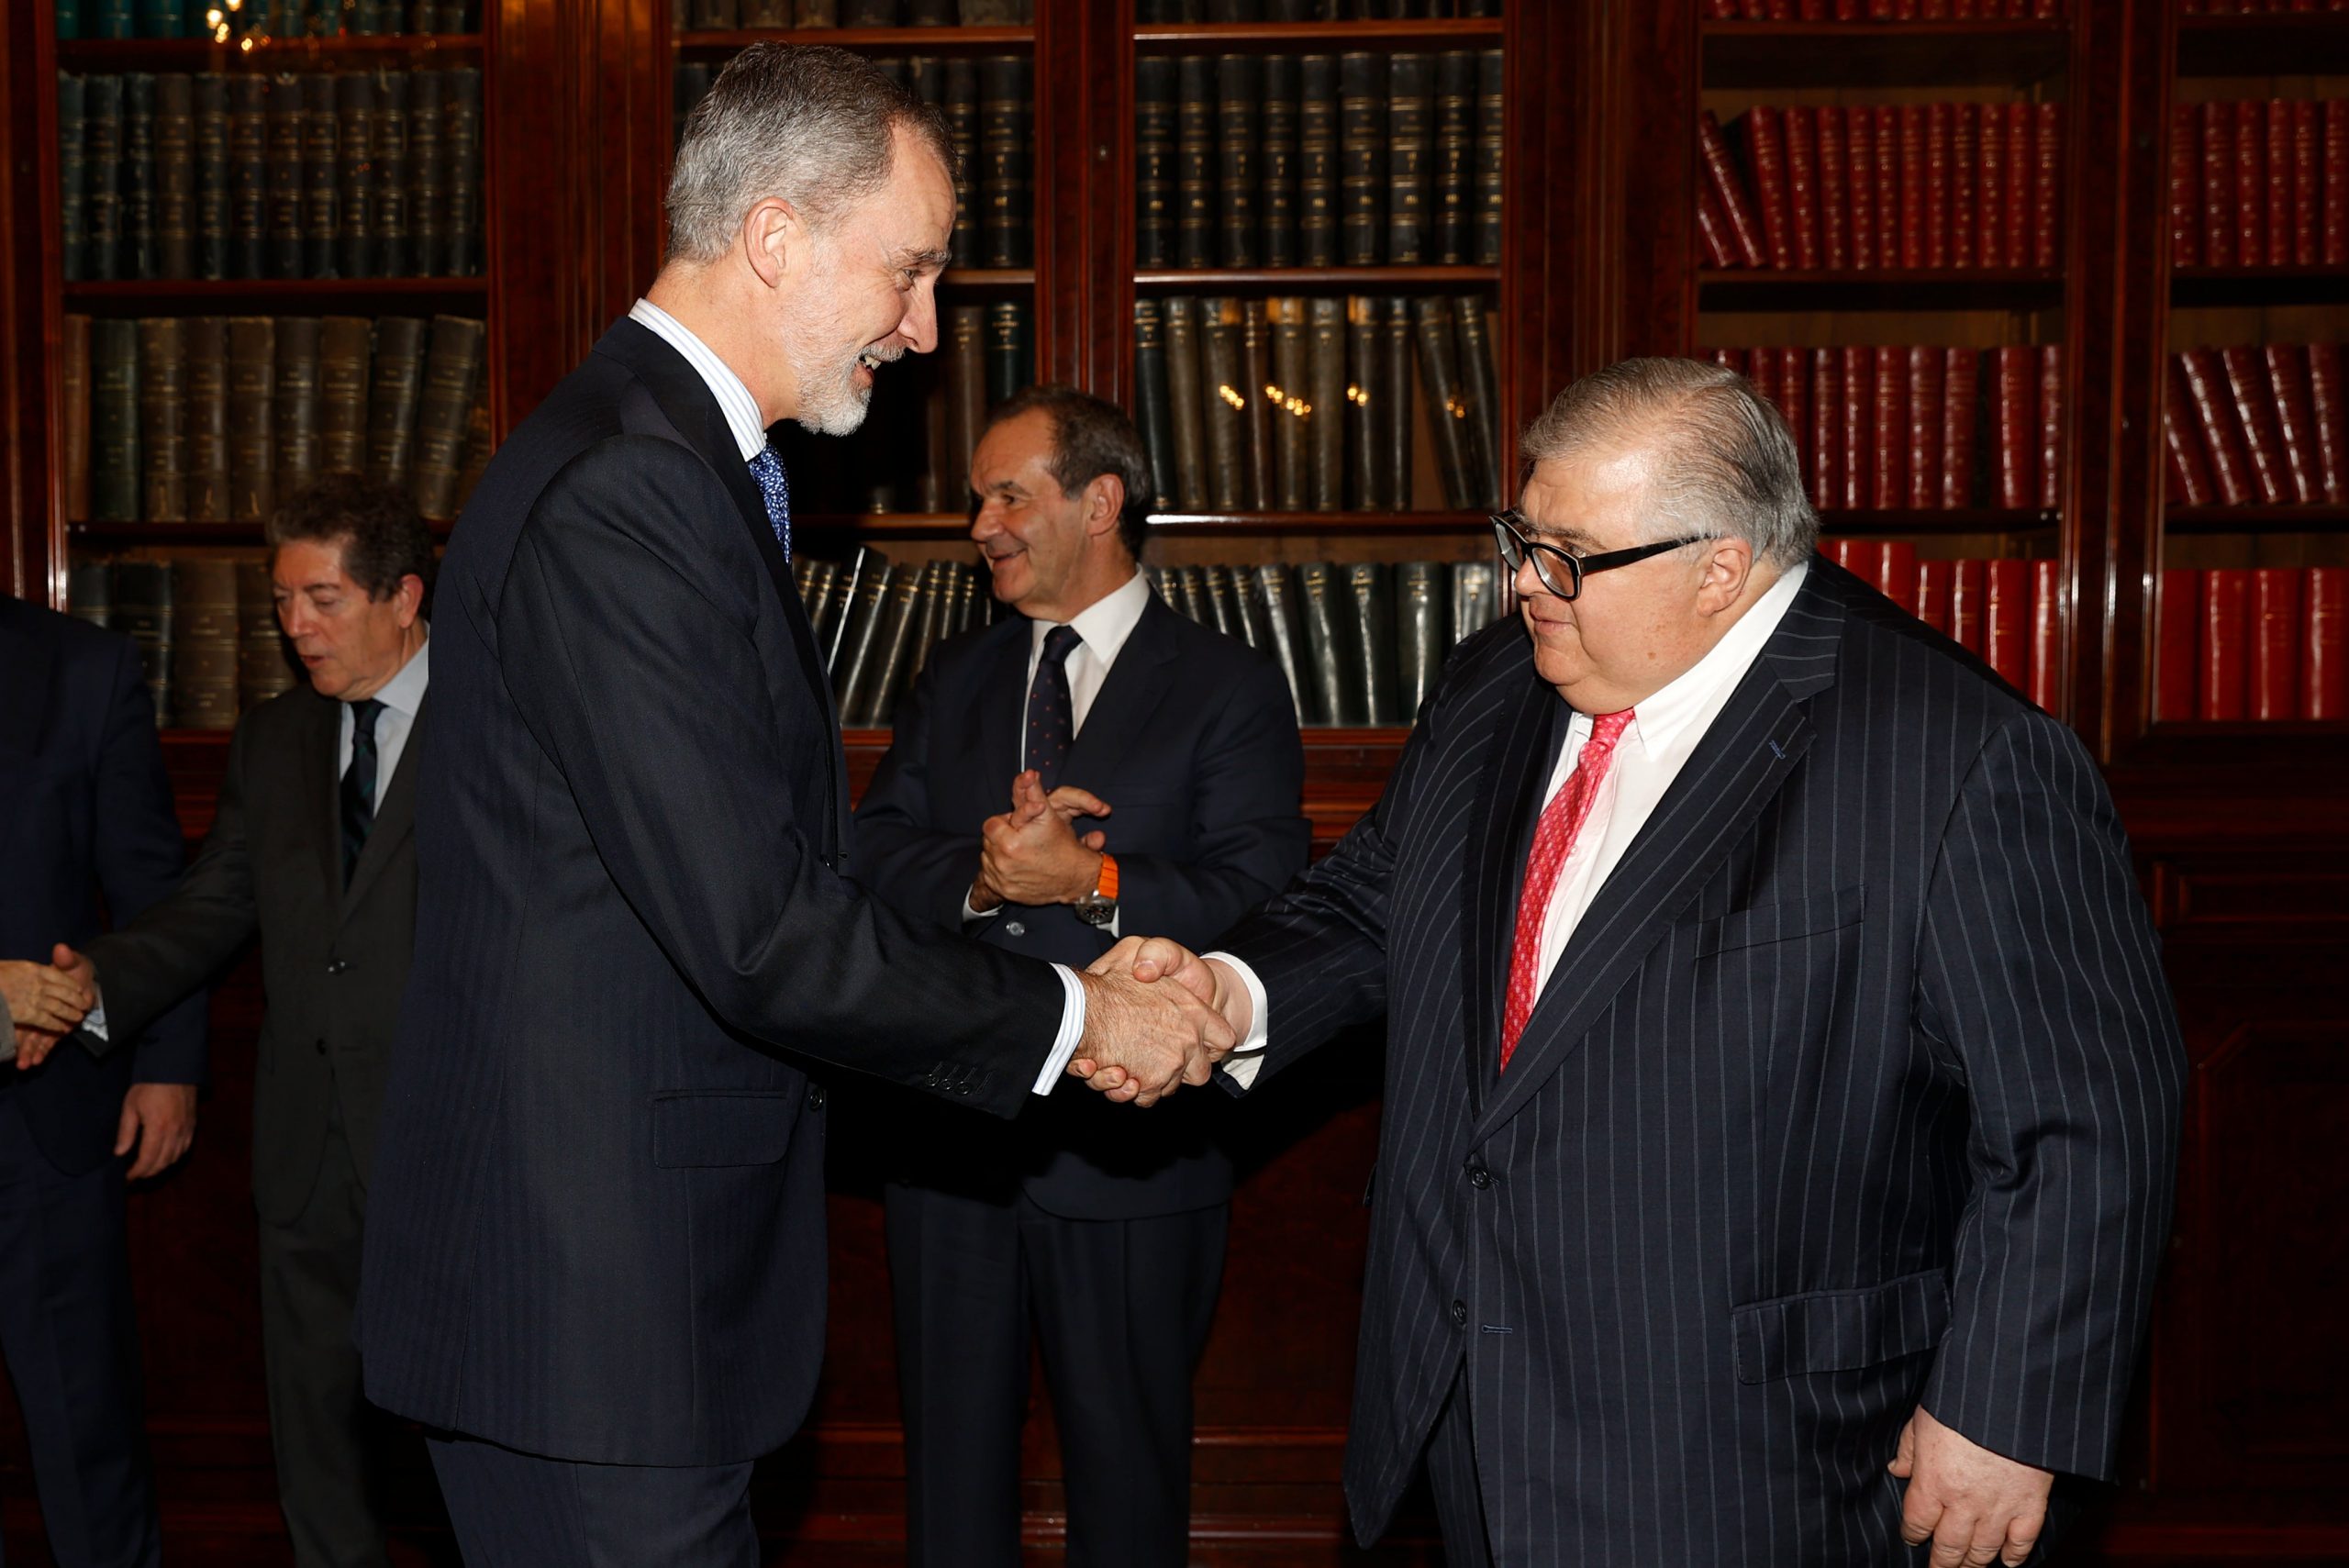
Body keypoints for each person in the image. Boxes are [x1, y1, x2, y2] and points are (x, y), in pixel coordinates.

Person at [352, 44, 1228, 1566]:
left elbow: (766, 860)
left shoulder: (669, 456)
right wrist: (1081, 1017)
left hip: (622, 1306)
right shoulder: (631, 482)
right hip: (590, 1314)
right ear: (775, 236)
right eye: (910, 268)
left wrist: (1041, 948)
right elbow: (756, 926)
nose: (923, 325)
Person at [1088, 358, 2188, 1568]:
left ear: (1721, 567)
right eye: (1520, 536)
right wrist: (1226, 996)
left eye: (1566, 553)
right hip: (1478, 1382)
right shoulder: (1498, 681)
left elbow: (2086, 1115)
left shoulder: (1954, 757)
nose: (1523, 582)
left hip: (1751, 1438)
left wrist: (2004, 1412)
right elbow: (1380, 900)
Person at [855, 385, 1309, 1568]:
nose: (981, 525)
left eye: (1009, 494)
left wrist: (1091, 879)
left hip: (1129, 1147)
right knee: (949, 1485)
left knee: (1128, 1475)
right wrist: (993, 879)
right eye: (976, 501)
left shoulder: (1228, 682)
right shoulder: (953, 675)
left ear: (1101, 500)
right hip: (948, 1138)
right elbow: (871, 851)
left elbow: (1266, 885)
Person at [52, 474, 435, 1568]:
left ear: (403, 595)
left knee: (463, 1447)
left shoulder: (503, 724)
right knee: (317, 1449)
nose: (293, 625)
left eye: (321, 598)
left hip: (447, 1144)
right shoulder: (274, 739)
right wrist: (93, 982)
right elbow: (215, 901)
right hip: (304, 1150)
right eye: (280, 601)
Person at [0, 591, 205, 1568]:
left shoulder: (85, 668)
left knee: (90, 1444)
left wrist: (168, 1065)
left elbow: (153, 893)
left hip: (50, 1124)